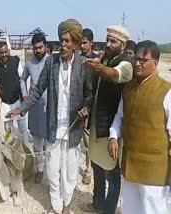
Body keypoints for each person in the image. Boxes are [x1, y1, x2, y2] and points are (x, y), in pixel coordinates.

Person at [6, 19, 93, 214]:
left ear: (76, 44)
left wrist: (86, 108)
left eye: (68, 41)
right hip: (54, 126)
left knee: (70, 172)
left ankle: (67, 204)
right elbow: (37, 90)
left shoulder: (83, 64)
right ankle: (56, 206)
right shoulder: (52, 63)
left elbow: (89, 93)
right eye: (62, 40)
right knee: (53, 171)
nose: (63, 45)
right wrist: (22, 108)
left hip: (73, 127)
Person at [109, 40, 170, 214]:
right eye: (136, 59)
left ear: (155, 63)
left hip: (155, 170)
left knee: (153, 209)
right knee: (130, 208)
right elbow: (119, 117)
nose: (137, 63)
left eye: (143, 60)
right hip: (130, 164)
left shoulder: (166, 91)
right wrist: (113, 136)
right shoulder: (128, 88)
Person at [83, 25, 133, 214]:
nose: (109, 44)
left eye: (113, 41)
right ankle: (97, 203)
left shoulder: (126, 62)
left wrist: (99, 67)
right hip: (97, 125)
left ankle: (109, 210)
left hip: (111, 129)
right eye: (108, 40)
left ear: (124, 44)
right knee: (96, 164)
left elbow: (115, 74)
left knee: (112, 174)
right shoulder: (104, 58)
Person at [20, 33, 48, 183]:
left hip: (50, 107)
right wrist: (25, 96)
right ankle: (40, 169)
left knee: (50, 141)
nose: (38, 50)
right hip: (35, 108)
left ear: (46, 47)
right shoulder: (29, 63)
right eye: (35, 48)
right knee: (37, 141)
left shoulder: (52, 62)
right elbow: (22, 79)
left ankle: (52, 170)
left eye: (40, 47)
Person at [0, 41, 29, 144]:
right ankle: (9, 153)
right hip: (5, 103)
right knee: (8, 131)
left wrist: (24, 98)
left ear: (8, 51)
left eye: (6, 52)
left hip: (18, 101)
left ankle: (27, 151)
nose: (4, 55)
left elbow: (22, 81)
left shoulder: (16, 62)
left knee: (23, 129)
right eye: (1, 53)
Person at [80, 28, 97, 185]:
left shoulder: (97, 61)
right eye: (80, 43)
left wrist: (89, 107)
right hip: (77, 106)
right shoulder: (77, 59)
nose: (82, 46)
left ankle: (88, 169)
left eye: (84, 43)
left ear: (91, 43)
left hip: (90, 106)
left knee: (88, 141)